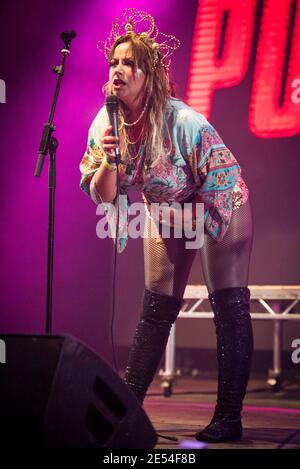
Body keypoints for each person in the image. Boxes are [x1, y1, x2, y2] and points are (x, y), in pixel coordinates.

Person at [80, 8, 253, 443]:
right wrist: (109, 159)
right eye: (113, 62)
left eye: (128, 63)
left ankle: (228, 418)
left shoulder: (184, 123)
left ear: (148, 74)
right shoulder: (106, 122)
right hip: (167, 207)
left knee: (228, 304)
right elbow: (103, 194)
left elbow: (222, 182)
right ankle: (125, 412)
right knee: (157, 307)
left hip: (219, 198)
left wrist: (188, 216)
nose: (118, 69)